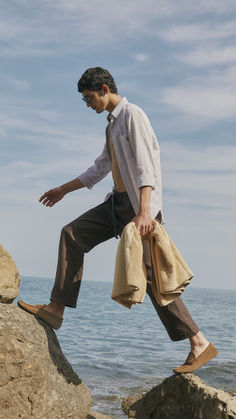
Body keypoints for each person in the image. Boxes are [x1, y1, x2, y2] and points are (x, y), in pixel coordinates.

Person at [18, 67, 217, 373]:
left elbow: (147, 166)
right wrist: (63, 190)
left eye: (89, 98)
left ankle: (199, 342)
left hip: (140, 209)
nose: (87, 105)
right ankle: (55, 309)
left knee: (153, 280)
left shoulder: (133, 115)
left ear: (105, 88)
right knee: (72, 234)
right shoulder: (111, 126)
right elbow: (100, 168)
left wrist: (145, 211)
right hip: (116, 206)